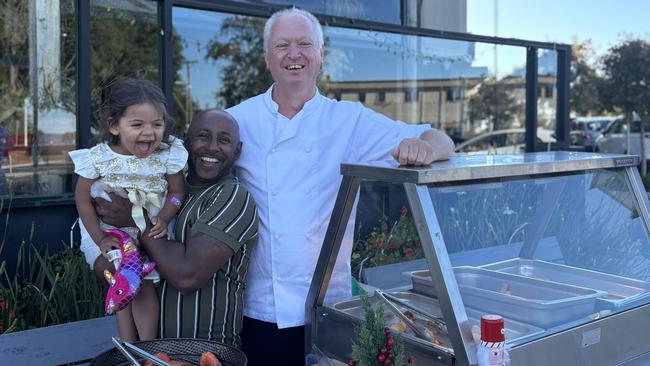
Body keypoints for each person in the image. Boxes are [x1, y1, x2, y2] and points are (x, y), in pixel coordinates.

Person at [225, 7, 455, 366]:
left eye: (304, 44)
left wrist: (426, 147)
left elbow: (440, 138)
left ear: (320, 56)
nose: (294, 54)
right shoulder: (237, 120)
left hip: (328, 308)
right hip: (257, 307)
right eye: (282, 45)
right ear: (267, 58)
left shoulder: (349, 119)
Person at [94, 109, 258, 347]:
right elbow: (109, 267)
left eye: (223, 140)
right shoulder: (162, 192)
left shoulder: (232, 197)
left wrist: (132, 220)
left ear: (237, 150)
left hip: (204, 354)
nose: (212, 147)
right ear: (186, 140)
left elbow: (187, 275)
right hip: (148, 354)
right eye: (203, 136)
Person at [69, 78, 188, 342]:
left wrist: (165, 218)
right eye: (137, 125)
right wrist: (100, 238)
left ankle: (145, 346)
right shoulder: (99, 157)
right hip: (107, 232)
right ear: (114, 126)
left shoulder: (168, 155)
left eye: (157, 124)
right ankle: (131, 347)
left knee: (139, 281)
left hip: (150, 228)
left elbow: (178, 193)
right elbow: (83, 200)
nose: (149, 133)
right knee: (126, 277)